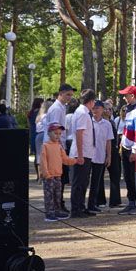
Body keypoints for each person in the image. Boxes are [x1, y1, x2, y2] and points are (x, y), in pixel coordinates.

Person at [68, 89, 98, 217]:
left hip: (86, 152)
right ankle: (76, 209)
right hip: (81, 153)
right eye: (94, 101)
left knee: (84, 181)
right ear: (90, 101)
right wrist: (80, 155)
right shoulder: (82, 113)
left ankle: (81, 206)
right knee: (78, 182)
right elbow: (79, 134)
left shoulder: (84, 113)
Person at [40, 123, 77, 221]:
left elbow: (64, 159)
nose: (58, 135)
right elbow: (43, 161)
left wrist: (75, 160)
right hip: (49, 176)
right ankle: (49, 213)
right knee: (49, 195)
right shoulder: (45, 146)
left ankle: (57, 211)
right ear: (49, 133)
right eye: (55, 133)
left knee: (57, 195)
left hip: (58, 175)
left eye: (59, 134)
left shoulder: (59, 146)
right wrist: (46, 173)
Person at [118, 85, 136, 214]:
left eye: (126, 95)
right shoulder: (127, 109)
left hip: (132, 149)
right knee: (127, 176)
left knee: (133, 177)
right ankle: (131, 201)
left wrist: (134, 150)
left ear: (132, 96)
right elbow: (126, 129)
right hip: (125, 147)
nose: (124, 97)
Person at [87, 102, 115, 211]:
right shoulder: (88, 121)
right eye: (93, 108)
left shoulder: (107, 124)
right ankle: (81, 204)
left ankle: (92, 204)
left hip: (100, 156)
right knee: (85, 181)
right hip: (88, 155)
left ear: (102, 109)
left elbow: (108, 141)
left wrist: (109, 156)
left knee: (96, 182)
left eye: (97, 108)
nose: (95, 110)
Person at [27, 96, 44, 168]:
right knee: (42, 155)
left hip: (33, 133)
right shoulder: (40, 112)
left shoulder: (30, 113)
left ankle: (38, 174)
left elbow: (28, 124)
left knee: (37, 155)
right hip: (39, 133)